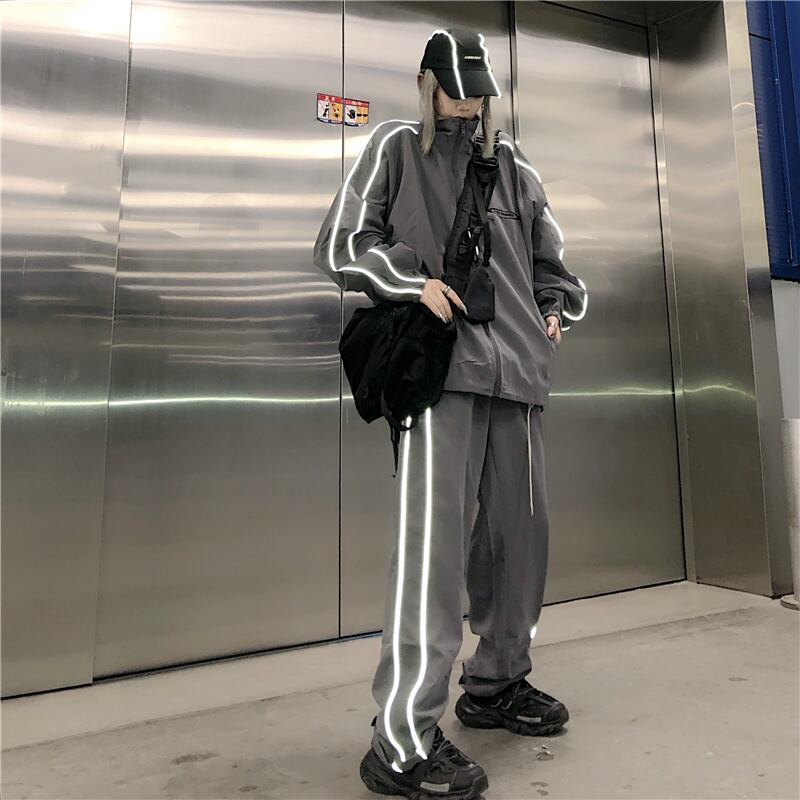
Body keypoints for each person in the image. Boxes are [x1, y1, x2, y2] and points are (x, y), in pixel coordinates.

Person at [313, 27, 588, 800]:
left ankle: (497, 682)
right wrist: (411, 282)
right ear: (427, 85)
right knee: (431, 556)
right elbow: (340, 244)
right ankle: (401, 738)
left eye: (478, 94)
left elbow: (554, 264)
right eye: (455, 92)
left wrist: (554, 309)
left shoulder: (515, 165)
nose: (467, 106)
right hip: (441, 377)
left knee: (519, 540)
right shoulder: (396, 148)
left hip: (519, 379)